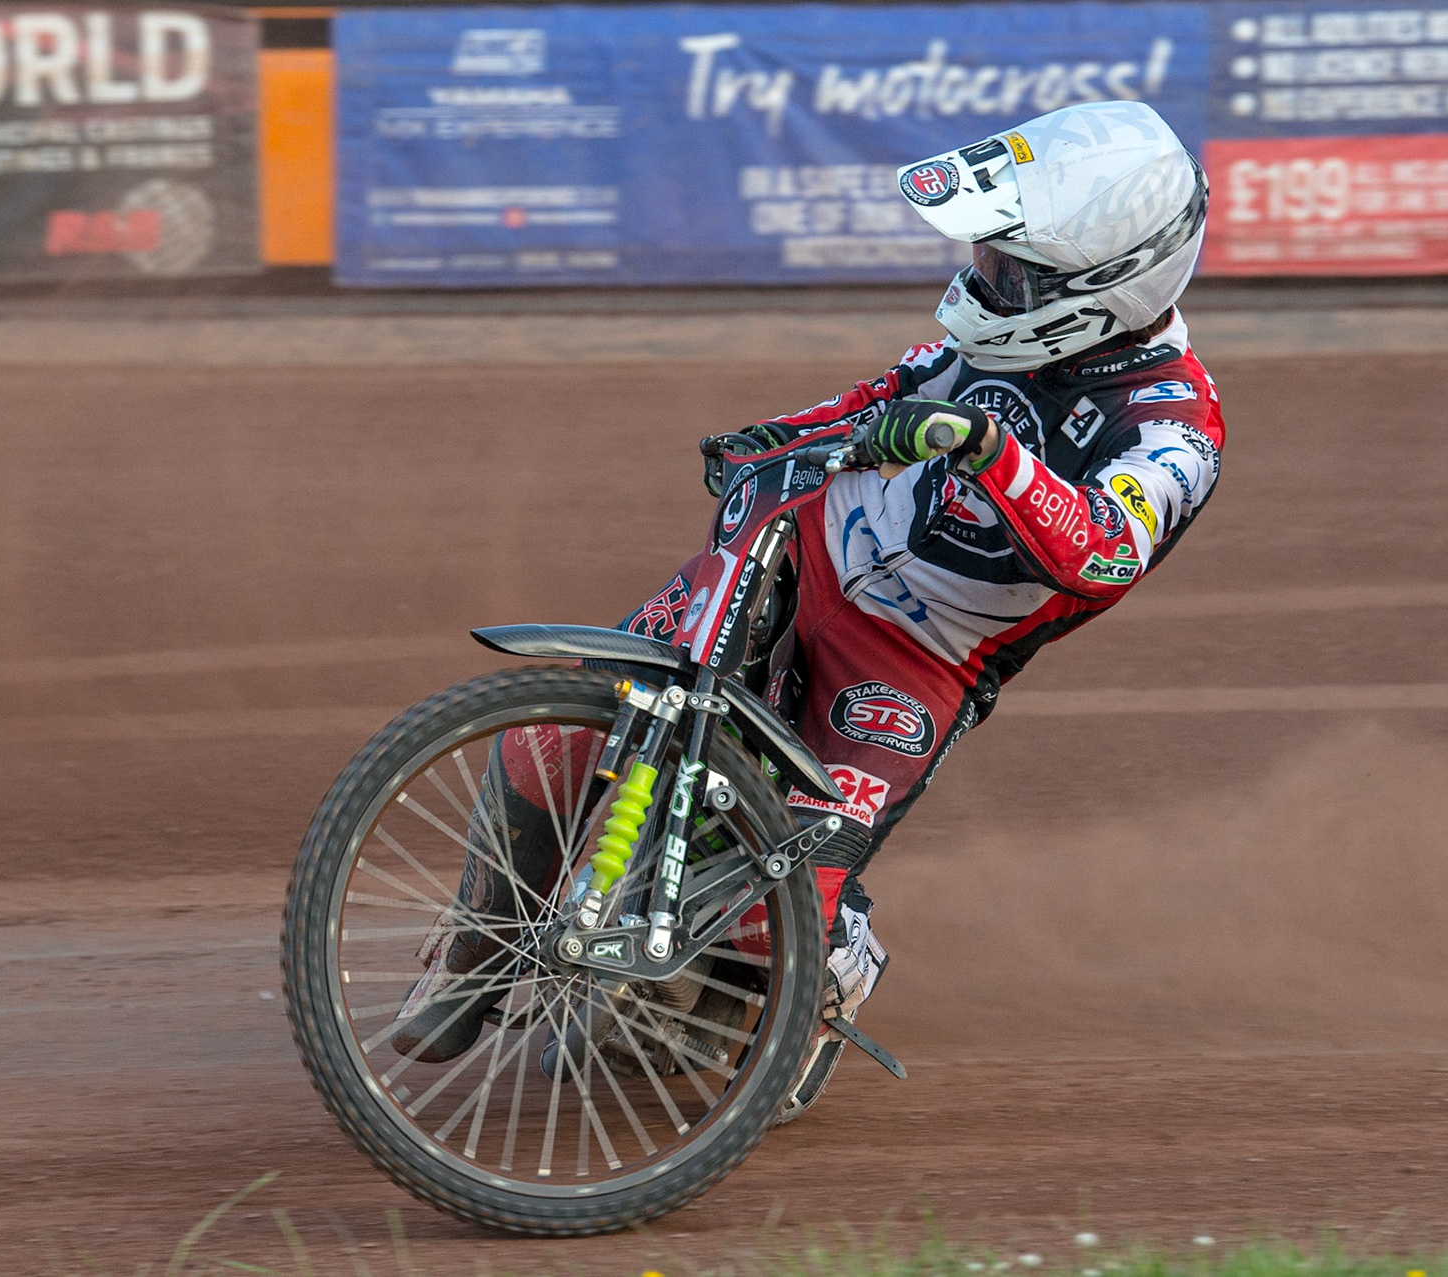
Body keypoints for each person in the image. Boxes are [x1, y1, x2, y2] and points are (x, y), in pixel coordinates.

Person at [393, 98, 1225, 1123]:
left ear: (1105, 286)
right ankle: (478, 948)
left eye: (1013, 270)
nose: (984, 280)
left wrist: (986, 448)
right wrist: (769, 438)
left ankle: (830, 959)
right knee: (558, 730)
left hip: (919, 663)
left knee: (751, 930)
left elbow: (1103, 548)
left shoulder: (1175, 427)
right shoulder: (992, 339)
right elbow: (881, 396)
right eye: (989, 255)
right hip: (804, 555)